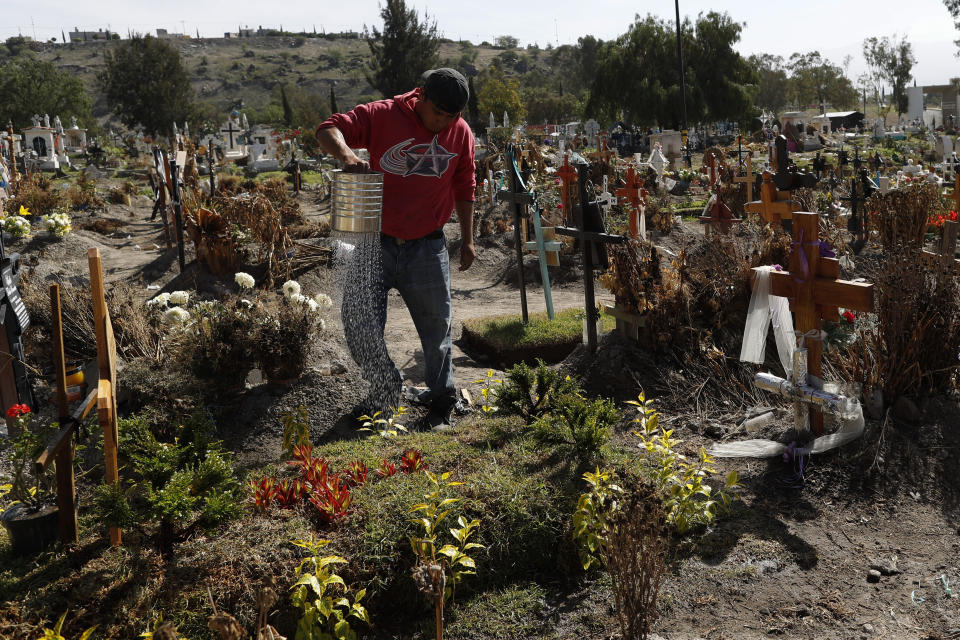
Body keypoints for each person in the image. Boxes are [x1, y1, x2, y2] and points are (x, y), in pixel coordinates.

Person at [316, 68, 476, 431]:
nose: (444, 123)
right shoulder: (381, 115)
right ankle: (385, 392)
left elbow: (465, 181)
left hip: (428, 245)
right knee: (360, 325)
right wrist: (347, 156)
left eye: (452, 116)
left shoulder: (459, 131)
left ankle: (443, 400)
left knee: (437, 331)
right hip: (373, 242)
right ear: (420, 96)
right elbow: (328, 128)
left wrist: (467, 238)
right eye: (438, 113)